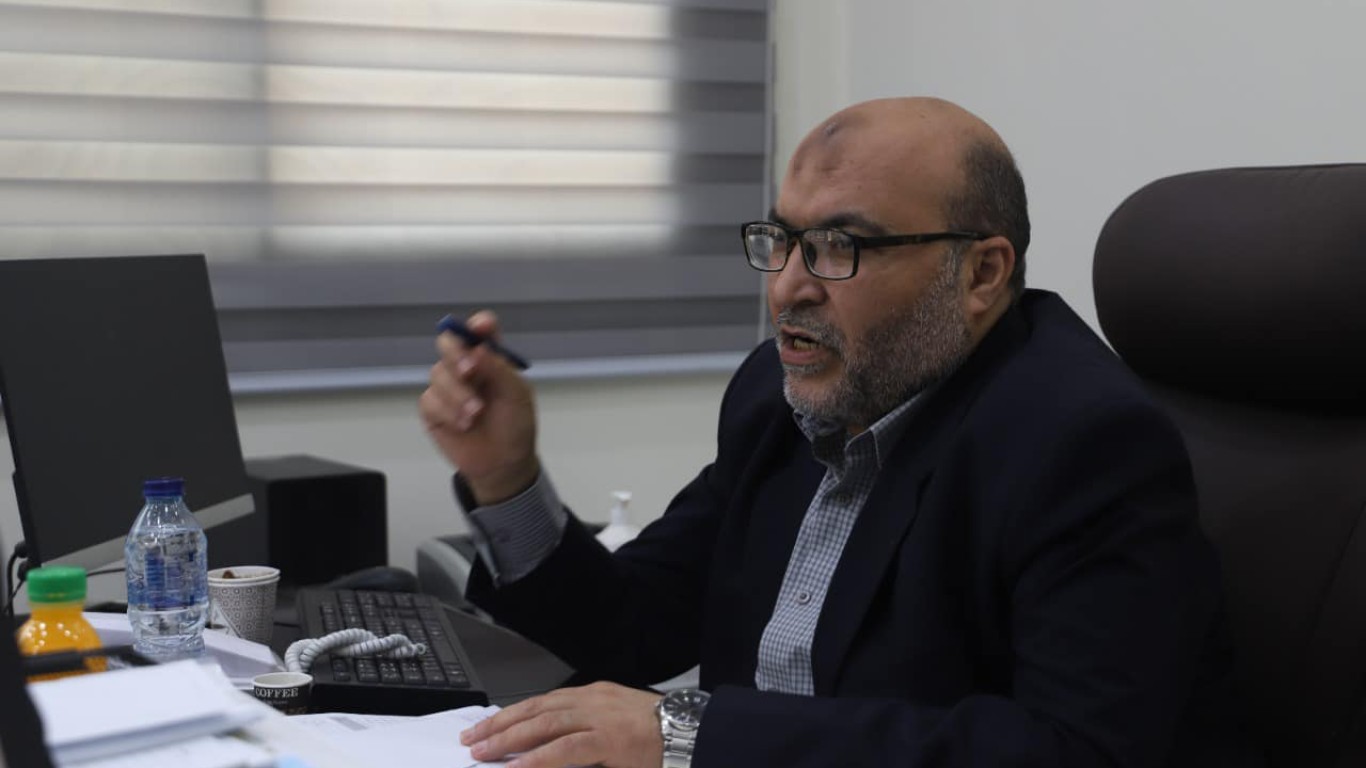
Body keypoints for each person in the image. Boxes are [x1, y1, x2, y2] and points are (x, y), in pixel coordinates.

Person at [419, 97, 1258, 768]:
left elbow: (1071, 751)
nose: (788, 287)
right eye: (781, 239)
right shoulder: (779, 394)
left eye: (838, 245)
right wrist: (507, 479)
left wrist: (691, 737)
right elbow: (629, 631)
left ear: (981, 272)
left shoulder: (1082, 442)